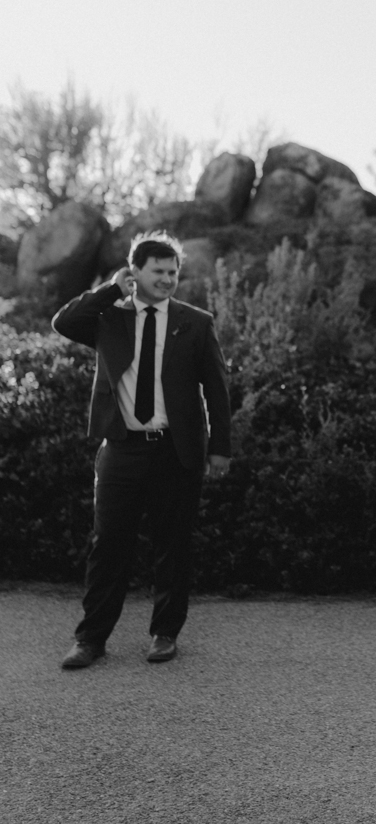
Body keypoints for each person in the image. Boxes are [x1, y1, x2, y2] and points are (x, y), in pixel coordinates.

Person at [53, 231, 231, 669]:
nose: (169, 279)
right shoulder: (109, 318)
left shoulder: (195, 322)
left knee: (173, 546)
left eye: (173, 272)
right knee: (108, 544)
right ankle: (90, 639)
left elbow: (218, 390)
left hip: (177, 451)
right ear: (136, 272)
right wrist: (112, 289)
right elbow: (63, 323)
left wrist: (220, 448)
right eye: (159, 272)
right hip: (122, 450)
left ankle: (164, 634)